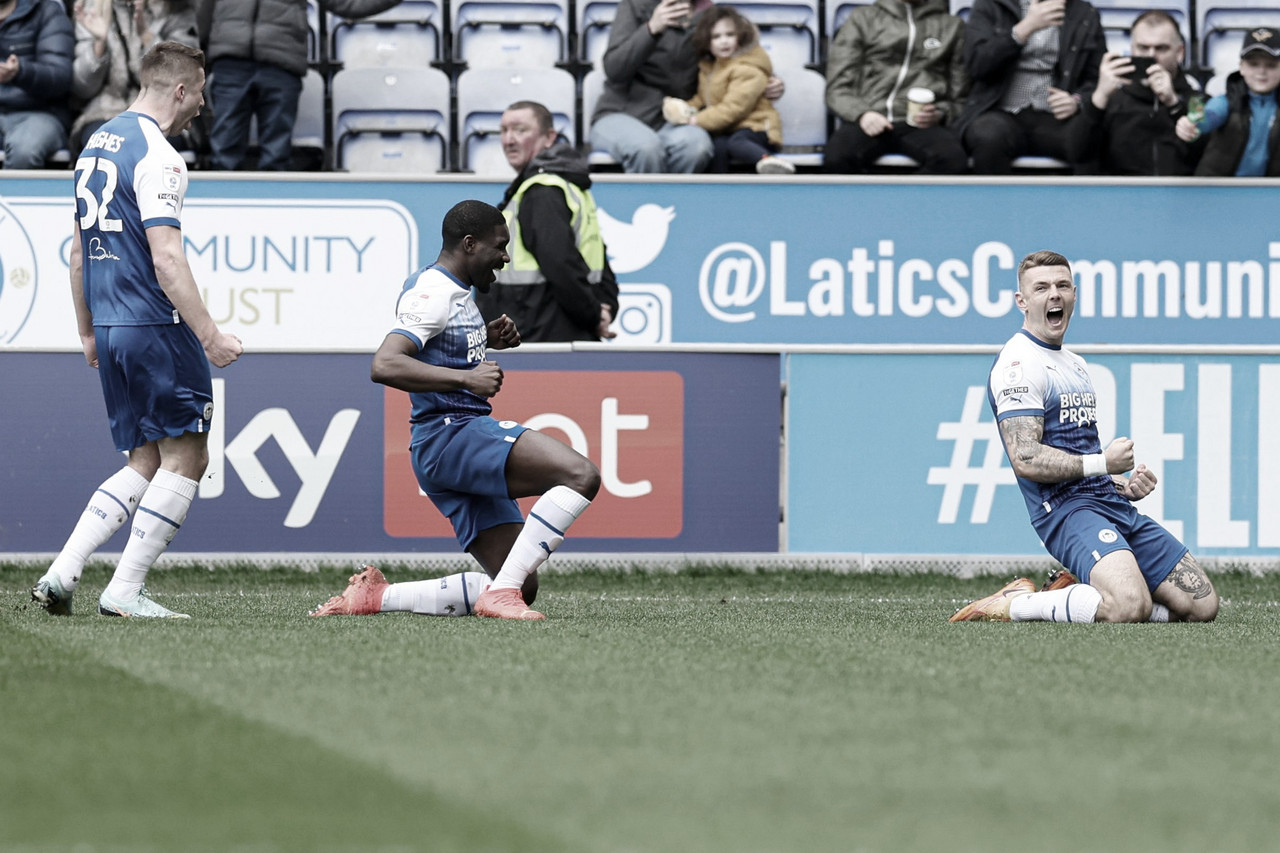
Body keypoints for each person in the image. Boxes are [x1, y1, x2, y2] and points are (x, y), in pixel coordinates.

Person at [31, 41, 243, 619]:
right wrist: (210, 336)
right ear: (180, 89)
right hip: (155, 325)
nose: (203, 103)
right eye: (200, 90)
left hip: (110, 322)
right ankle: (124, 590)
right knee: (188, 455)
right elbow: (167, 260)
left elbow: (78, 253)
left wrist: (87, 331)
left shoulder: (95, 143)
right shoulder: (160, 157)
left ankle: (61, 573)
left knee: (144, 459)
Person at [313, 200, 601, 621]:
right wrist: (467, 379)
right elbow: (385, 363)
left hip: (447, 441)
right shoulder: (433, 292)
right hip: (450, 436)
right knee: (581, 476)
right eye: (500, 247)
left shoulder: (453, 291)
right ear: (469, 244)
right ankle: (499, 595)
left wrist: (483, 339)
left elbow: (435, 349)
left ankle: (376, 597)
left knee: (522, 583)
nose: (505, 257)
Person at [950, 250, 1218, 624]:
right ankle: (1015, 604)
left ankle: (1080, 592)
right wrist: (1102, 462)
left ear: (1074, 294)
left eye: (1062, 285)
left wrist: (1120, 484)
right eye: (1041, 287)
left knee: (1203, 605)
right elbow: (1025, 457)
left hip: (1106, 501)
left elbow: (1080, 452)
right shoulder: (1018, 363)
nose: (1054, 294)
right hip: (1065, 511)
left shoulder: (1075, 364)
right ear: (1021, 301)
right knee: (1128, 606)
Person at [472, 100, 620, 342]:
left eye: (520, 130)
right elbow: (596, 259)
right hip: (553, 334)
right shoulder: (559, 185)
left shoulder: (542, 191)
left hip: (542, 340)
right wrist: (603, 308)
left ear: (549, 136)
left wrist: (596, 315)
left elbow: (561, 264)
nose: (509, 140)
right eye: (504, 131)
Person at [195, 0, 399, 171]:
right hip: (233, 62)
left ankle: (274, 216)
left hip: (279, 63)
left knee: (274, 157)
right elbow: (202, 14)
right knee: (224, 155)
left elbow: (346, 3)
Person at [589, 0, 783, 173]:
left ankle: (677, 209)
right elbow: (614, 68)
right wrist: (651, 28)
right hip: (621, 113)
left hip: (676, 118)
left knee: (697, 146)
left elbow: (737, 58)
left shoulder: (708, 12)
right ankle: (646, 208)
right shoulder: (634, 5)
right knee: (646, 148)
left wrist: (768, 80)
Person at [952, 0, 1106, 174]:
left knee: (1088, 139)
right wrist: (1023, 30)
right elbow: (976, 65)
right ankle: (992, 201)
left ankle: (1083, 201)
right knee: (989, 136)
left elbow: (1097, 77)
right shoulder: (991, 5)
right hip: (1000, 111)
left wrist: (1076, 100)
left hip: (1053, 115)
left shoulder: (1083, 12)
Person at [823, 0, 969, 175]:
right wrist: (862, 113)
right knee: (837, 158)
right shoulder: (863, 18)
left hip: (921, 123)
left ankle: (907, 203)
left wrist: (941, 113)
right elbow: (837, 87)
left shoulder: (952, 26)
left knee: (952, 160)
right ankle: (869, 202)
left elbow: (961, 97)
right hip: (869, 116)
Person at [1065, 10, 1204, 176]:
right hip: (1120, 197)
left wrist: (1174, 105)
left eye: (1161, 48)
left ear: (1180, 52)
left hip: (1180, 196)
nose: (1151, 55)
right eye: (1143, 48)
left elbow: (1209, 155)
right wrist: (1099, 98)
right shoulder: (1111, 98)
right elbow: (1076, 153)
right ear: (1131, 49)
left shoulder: (1197, 100)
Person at [662, 5, 793, 174]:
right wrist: (685, 108)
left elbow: (733, 109)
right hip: (729, 129)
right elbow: (703, 99)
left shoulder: (748, 68)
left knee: (735, 143)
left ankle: (769, 162)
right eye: (716, 36)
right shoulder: (710, 68)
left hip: (757, 128)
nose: (724, 41)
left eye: (730, 35)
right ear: (707, 41)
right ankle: (718, 192)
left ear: (741, 36)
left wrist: (696, 120)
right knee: (719, 147)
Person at [69, 0, 199, 153]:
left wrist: (148, 38)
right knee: (103, 142)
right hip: (104, 112)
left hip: (163, 115)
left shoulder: (176, 9)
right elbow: (82, 88)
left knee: (146, 145)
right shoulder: (91, 9)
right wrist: (99, 45)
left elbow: (185, 78)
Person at [1176, 27, 1280, 177]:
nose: (1262, 71)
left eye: (1271, 65)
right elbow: (1209, 116)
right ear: (1241, 67)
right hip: (1219, 190)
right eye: (1254, 64)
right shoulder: (1227, 101)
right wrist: (1191, 124)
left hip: (1270, 192)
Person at [0, 0, 73, 169]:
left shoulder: (46, 11)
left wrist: (20, 73)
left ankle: (13, 196)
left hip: (40, 113)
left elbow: (60, 78)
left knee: (25, 150)